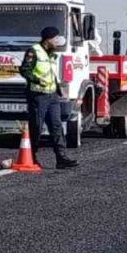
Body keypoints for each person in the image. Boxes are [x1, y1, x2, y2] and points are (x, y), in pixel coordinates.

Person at [20, 27, 78, 169]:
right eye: (55, 38)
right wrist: (37, 80)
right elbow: (24, 70)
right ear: (48, 39)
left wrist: (58, 89)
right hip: (38, 96)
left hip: (52, 96)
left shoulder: (51, 54)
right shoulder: (34, 51)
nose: (58, 41)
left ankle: (61, 158)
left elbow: (51, 74)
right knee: (36, 127)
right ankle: (31, 157)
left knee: (56, 127)